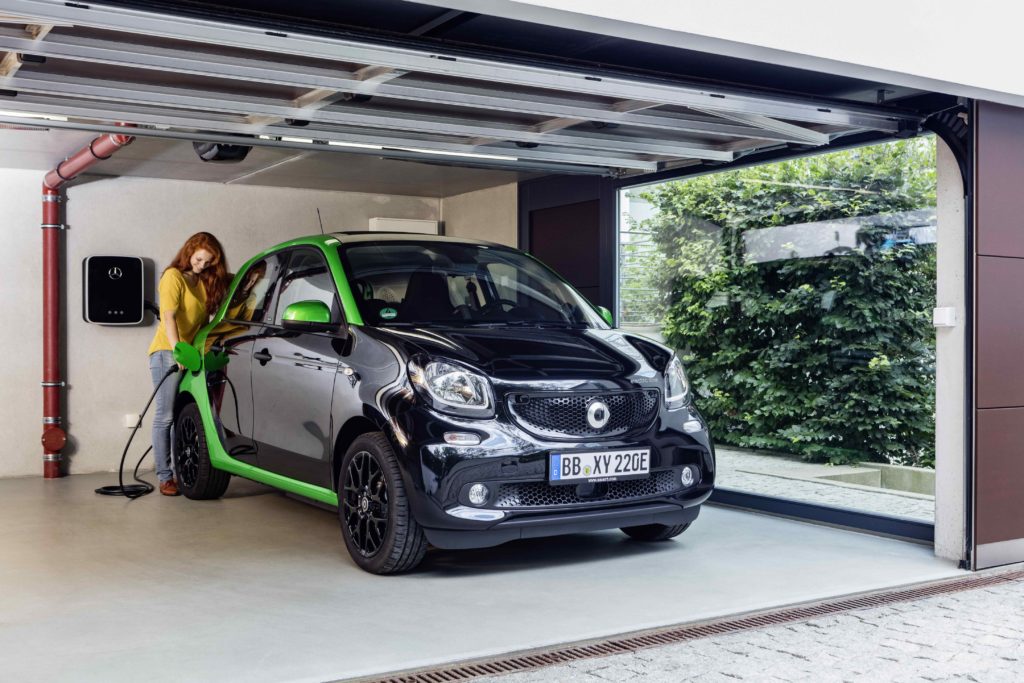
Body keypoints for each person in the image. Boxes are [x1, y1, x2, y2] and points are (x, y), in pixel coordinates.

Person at [147, 232, 229, 496]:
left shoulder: (203, 282)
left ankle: (182, 472)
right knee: (166, 415)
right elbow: (168, 317)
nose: (202, 265)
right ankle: (165, 476)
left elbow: (203, 323)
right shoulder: (173, 277)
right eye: (199, 258)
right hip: (168, 353)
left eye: (208, 262)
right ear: (189, 251)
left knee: (183, 413)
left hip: (192, 355)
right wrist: (178, 350)